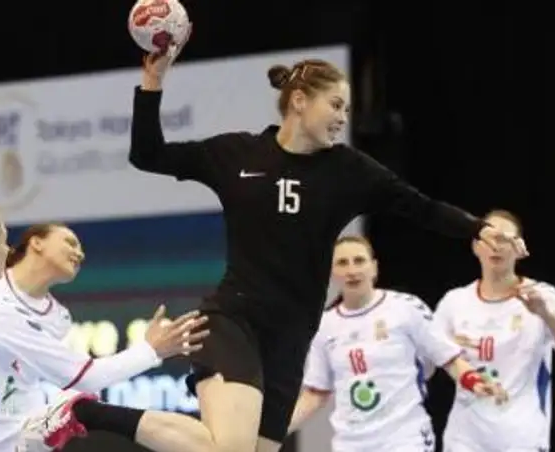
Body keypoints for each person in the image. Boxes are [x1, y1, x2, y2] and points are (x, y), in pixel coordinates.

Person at [32, 34, 527, 452]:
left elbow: (420, 207)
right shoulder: (238, 154)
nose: (343, 117)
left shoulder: (350, 171)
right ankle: (85, 412)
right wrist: (153, 82)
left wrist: (477, 227)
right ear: (300, 101)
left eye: (347, 109)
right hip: (235, 320)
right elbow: (148, 154)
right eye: (336, 105)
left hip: (291, 339)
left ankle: (86, 412)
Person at [0, 202, 205, 452]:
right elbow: (87, 376)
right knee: (87, 409)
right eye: (3, 242)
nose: (8, 250)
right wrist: (152, 350)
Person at [0, 222, 206, 451]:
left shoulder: (58, 318)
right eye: (70, 243)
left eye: (80, 249)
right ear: (37, 243)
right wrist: (150, 351)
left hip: (14, 435)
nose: (80, 254)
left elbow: (80, 377)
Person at [285, 236, 507, 452]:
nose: (352, 270)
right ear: (331, 273)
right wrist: (276, 430)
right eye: (342, 263)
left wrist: (474, 381)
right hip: (351, 442)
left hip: (403, 436)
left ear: (374, 268)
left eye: (359, 261)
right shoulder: (325, 326)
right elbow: (315, 393)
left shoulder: (404, 308)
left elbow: (448, 358)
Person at [433, 210, 555, 452]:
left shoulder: (543, 296)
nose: (496, 246)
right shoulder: (454, 302)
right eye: (489, 238)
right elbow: (428, 360)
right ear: (475, 246)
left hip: (522, 438)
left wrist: (546, 315)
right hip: (464, 439)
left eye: (505, 239)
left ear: (519, 247)